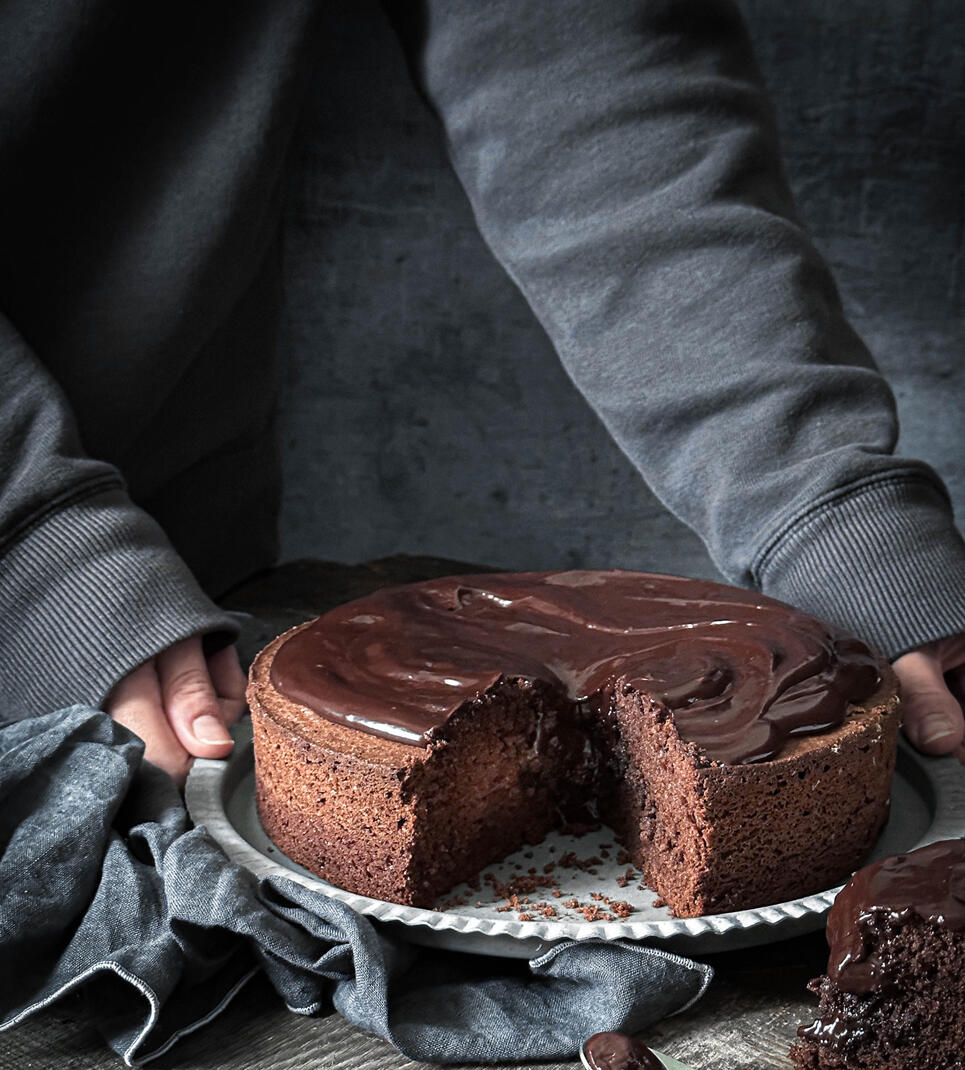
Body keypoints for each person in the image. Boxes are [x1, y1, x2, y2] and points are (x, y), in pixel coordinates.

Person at [2, 0, 964, 786]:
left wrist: (828, 513)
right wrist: (35, 549)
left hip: (201, 624)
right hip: (78, 603)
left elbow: (579, 77)